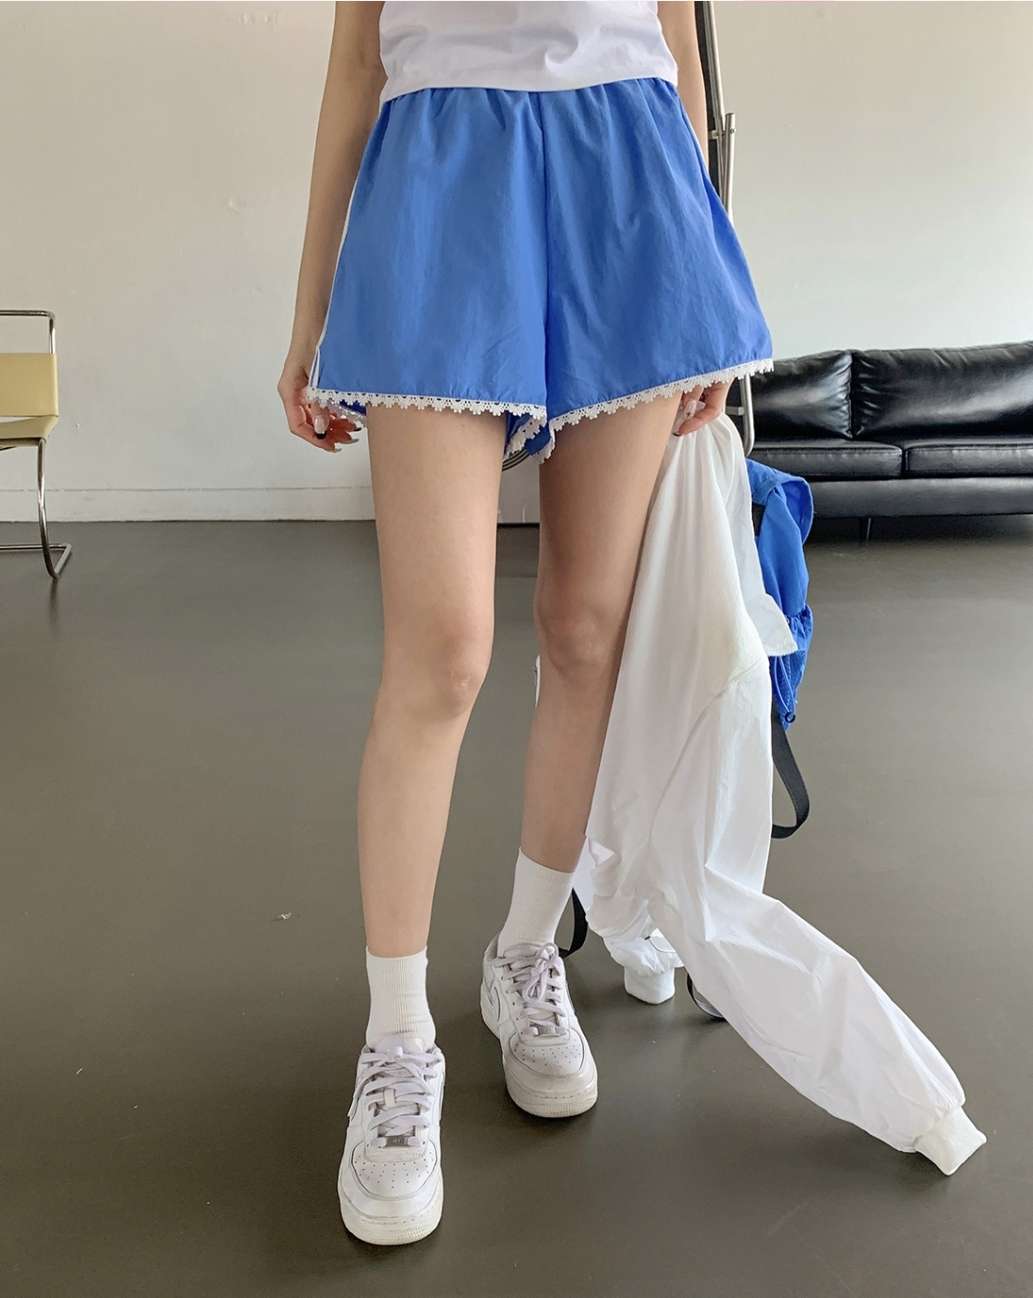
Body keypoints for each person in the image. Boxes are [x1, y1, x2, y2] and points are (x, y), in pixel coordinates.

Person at [279, 1, 773, 1246]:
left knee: (584, 630)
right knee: (442, 652)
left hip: (628, 177)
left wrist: (702, 256)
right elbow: (357, 56)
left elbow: (674, 34)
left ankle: (522, 954)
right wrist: (310, 308)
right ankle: (397, 1036)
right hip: (440, 171)